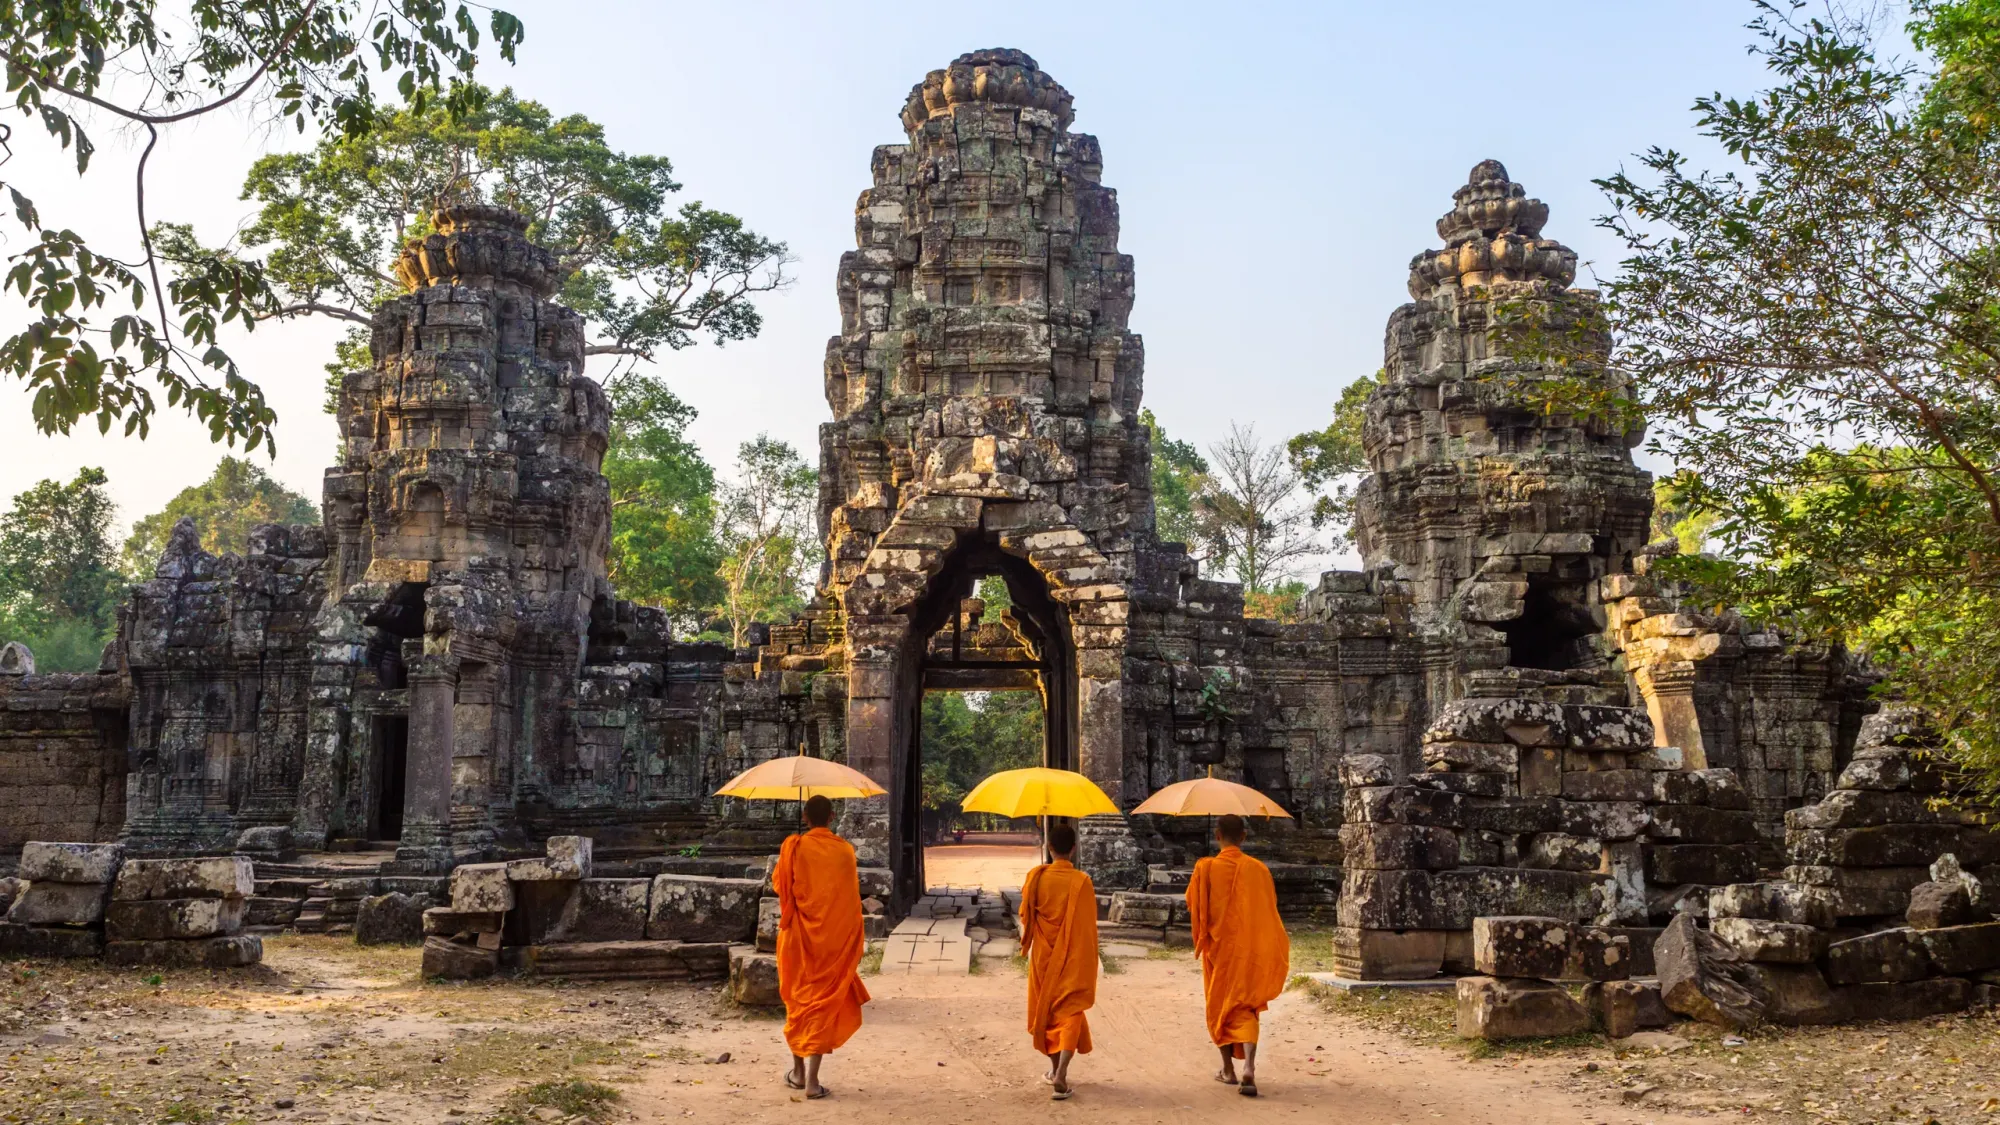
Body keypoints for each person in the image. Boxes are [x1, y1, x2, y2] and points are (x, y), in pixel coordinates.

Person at [1184, 813, 1290, 1097]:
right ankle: (1250, 1068)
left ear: (1216, 835)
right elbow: (1269, 909)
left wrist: (1204, 876)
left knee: (1220, 1005)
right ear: (1243, 837)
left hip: (1219, 952)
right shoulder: (1258, 870)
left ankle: (1228, 1069)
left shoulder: (1205, 868)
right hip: (1249, 951)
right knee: (1246, 1007)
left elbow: (1193, 906)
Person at [774, 794, 871, 1099]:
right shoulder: (844, 851)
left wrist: (793, 854)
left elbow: (781, 886)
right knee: (822, 1004)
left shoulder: (793, 846)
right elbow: (850, 901)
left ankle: (799, 1073)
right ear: (832, 817)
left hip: (798, 940)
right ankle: (812, 1081)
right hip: (832, 942)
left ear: (805, 816)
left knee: (798, 1001)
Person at [1017, 819, 1099, 1101]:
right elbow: (1090, 926)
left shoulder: (1035, 877)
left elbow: (1025, 916)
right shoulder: (1082, 882)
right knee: (1070, 1009)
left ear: (1049, 847)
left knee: (1048, 1009)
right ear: (1074, 849)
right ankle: (1062, 1071)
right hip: (1074, 957)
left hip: (1043, 956)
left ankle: (1054, 1070)